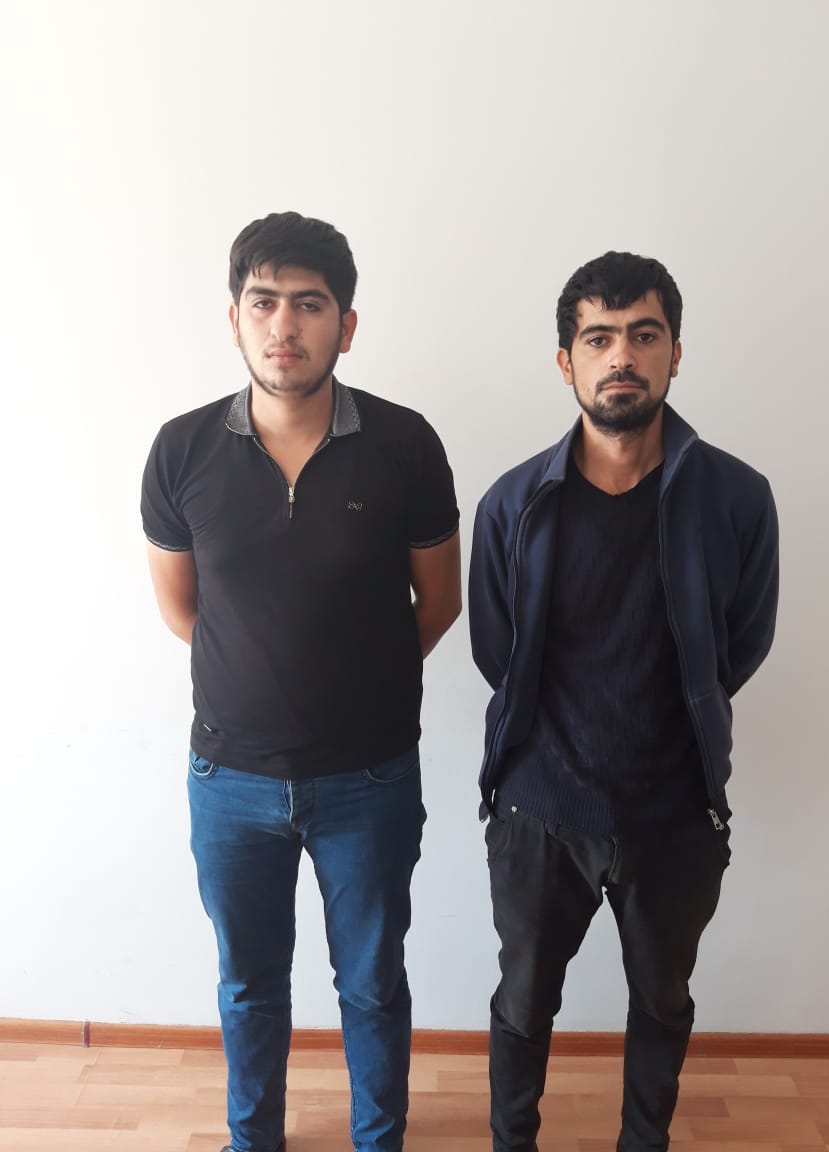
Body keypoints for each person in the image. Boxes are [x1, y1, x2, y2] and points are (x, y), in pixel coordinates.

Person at [141, 211, 461, 1152]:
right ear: (234, 319)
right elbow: (183, 611)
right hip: (229, 781)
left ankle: (379, 1139)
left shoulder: (405, 444)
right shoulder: (181, 450)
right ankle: (255, 1141)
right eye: (264, 302)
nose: (285, 325)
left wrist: (356, 683)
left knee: (372, 983)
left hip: (370, 777)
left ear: (346, 326)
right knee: (248, 986)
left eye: (310, 304)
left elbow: (438, 603)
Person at [469, 251, 778, 1152]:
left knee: (662, 1000)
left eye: (644, 336)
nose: (621, 357)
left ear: (675, 354)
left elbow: (741, 643)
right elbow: (498, 652)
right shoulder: (514, 505)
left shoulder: (737, 497)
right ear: (565, 360)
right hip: (538, 809)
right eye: (598, 337)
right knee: (523, 1002)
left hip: (674, 812)